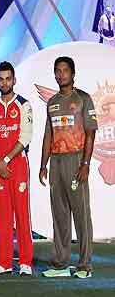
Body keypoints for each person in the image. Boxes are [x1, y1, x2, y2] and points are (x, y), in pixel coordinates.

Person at [40, 57, 98, 279]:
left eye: (65, 70)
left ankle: (84, 265)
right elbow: (48, 135)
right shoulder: (52, 102)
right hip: (56, 161)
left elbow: (91, 133)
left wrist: (85, 163)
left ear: (73, 74)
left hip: (76, 160)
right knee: (60, 214)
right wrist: (43, 164)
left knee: (81, 214)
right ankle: (61, 264)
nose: (61, 74)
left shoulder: (83, 99)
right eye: (57, 70)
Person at [0, 62, 34, 276]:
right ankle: (4, 262)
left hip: (18, 165)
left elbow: (26, 136)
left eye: (8, 78)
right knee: (2, 216)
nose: (4, 82)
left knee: (22, 215)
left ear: (14, 80)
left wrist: (5, 160)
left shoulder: (24, 105)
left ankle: (25, 262)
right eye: (1, 79)